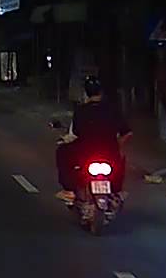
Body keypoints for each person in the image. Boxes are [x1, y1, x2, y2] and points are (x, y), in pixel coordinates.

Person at [55, 75, 132, 203]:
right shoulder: (113, 110)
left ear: (86, 93)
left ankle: (68, 190)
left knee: (61, 151)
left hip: (85, 152)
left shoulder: (81, 111)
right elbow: (127, 132)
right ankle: (117, 191)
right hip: (109, 152)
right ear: (101, 92)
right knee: (121, 159)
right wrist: (117, 145)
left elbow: (75, 133)